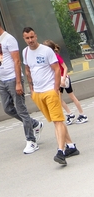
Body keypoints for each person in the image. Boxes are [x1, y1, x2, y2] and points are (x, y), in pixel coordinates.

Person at [22, 27, 79, 165]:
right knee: (56, 121)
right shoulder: (25, 52)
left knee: (57, 121)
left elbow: (57, 69)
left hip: (50, 91)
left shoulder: (46, 51)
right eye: (27, 38)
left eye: (32, 37)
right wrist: (31, 89)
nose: (30, 40)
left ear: (36, 36)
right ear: (24, 39)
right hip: (38, 93)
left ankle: (60, 151)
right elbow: (28, 70)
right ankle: (71, 146)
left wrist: (55, 89)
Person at [0, 16, 42, 154]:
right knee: (7, 108)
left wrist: (18, 82)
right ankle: (34, 124)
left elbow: (17, 61)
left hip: (12, 79)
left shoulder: (9, 39)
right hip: (2, 80)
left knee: (21, 109)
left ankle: (31, 141)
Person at [44, 39, 88, 126]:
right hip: (59, 80)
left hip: (64, 79)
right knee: (59, 99)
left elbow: (65, 67)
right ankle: (70, 114)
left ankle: (82, 114)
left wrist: (63, 79)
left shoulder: (56, 56)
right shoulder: (50, 58)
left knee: (72, 97)